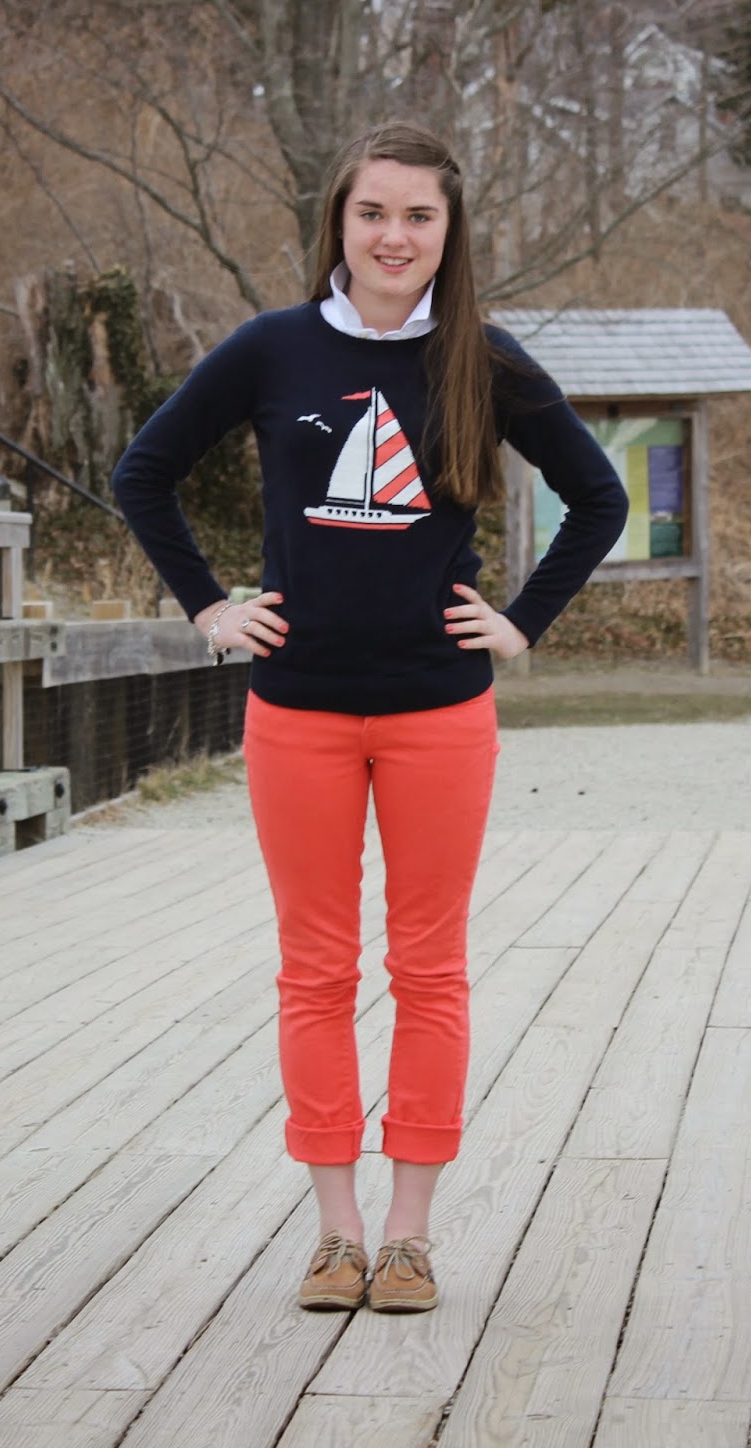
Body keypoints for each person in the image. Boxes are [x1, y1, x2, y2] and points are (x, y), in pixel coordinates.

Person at [112, 121, 628, 1314]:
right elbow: (145, 471)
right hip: (294, 714)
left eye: (419, 217)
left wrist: (522, 620)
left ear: (450, 234)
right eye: (373, 213)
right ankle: (333, 1234)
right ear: (337, 224)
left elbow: (595, 497)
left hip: (438, 715)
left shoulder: (483, 361)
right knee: (315, 971)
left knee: (430, 968)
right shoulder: (273, 349)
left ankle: (409, 1235)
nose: (394, 236)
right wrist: (207, 607)